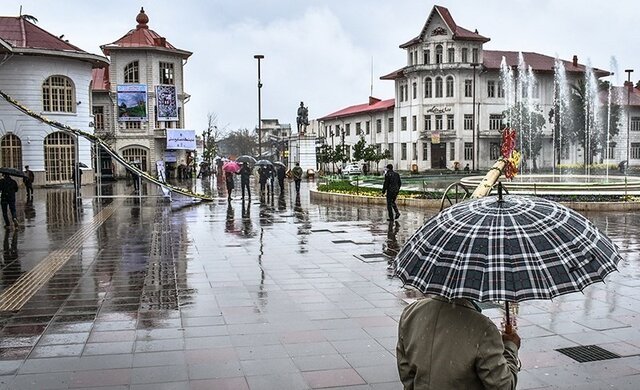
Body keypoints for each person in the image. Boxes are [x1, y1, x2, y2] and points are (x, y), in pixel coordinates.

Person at [397, 297, 521, 389]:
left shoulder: (411, 314)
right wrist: (510, 348)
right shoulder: (483, 328)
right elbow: (502, 386)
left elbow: (406, 373)